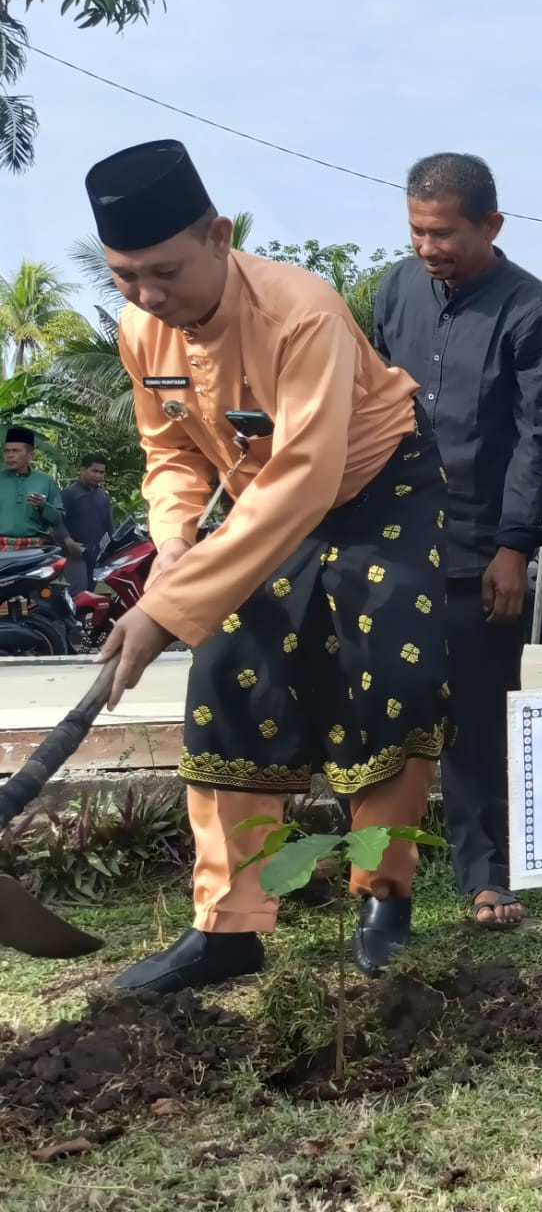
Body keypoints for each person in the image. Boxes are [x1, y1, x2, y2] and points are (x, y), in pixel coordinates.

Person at [87, 139, 449, 993]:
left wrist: (173, 606)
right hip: (259, 502)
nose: (147, 295)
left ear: (218, 235)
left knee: (389, 668)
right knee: (226, 678)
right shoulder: (145, 329)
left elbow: (307, 476)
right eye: (125, 277)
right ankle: (227, 927)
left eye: (165, 271)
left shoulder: (302, 310)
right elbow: (170, 450)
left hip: (374, 485)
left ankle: (383, 894)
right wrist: (175, 537)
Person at [373, 153, 542, 932]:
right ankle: (385, 875)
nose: (429, 248)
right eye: (418, 231)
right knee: (391, 711)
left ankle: (488, 871)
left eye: (445, 233)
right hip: (395, 540)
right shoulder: (394, 289)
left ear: (491, 224)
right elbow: (373, 398)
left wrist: (515, 548)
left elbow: (536, 437)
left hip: (484, 550)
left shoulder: (532, 309)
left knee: (479, 716)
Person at [60, 454, 114, 596]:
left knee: (90, 593)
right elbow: (57, 522)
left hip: (96, 554)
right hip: (74, 554)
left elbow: (108, 526)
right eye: (94, 471)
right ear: (82, 470)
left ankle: (82, 619)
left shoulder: (103, 496)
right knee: (78, 592)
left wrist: (110, 548)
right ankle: (72, 618)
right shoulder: (69, 494)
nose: (98, 475)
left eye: (101, 472)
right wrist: (68, 543)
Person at [0, 427, 62, 551]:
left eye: (15, 451)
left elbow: (58, 518)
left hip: (35, 548)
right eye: (7, 451)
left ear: (31, 455)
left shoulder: (46, 481)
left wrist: (43, 506)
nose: (10, 455)